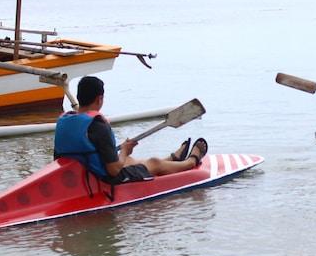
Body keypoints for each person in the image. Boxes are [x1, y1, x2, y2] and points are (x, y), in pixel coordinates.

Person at [54, 76, 207, 183]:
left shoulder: (64, 119)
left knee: (130, 161)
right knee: (154, 163)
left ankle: (172, 159)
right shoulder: (98, 125)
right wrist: (125, 151)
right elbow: (114, 170)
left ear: (79, 97)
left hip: (82, 173)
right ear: (99, 99)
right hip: (103, 178)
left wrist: (124, 154)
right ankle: (190, 163)